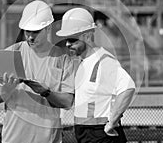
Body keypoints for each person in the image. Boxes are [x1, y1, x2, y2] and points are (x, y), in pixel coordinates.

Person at [0, 0, 75, 143]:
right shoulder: (11, 53)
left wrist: (45, 91)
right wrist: (7, 89)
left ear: (48, 28)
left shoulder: (63, 58)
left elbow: (67, 102)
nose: (30, 37)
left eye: (35, 32)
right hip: (13, 138)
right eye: (27, 31)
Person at [56, 8, 136, 143]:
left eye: (72, 39)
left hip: (100, 134)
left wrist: (111, 123)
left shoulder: (104, 61)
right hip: (88, 133)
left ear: (87, 36)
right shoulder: (82, 62)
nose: (67, 44)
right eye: (66, 39)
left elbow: (128, 88)